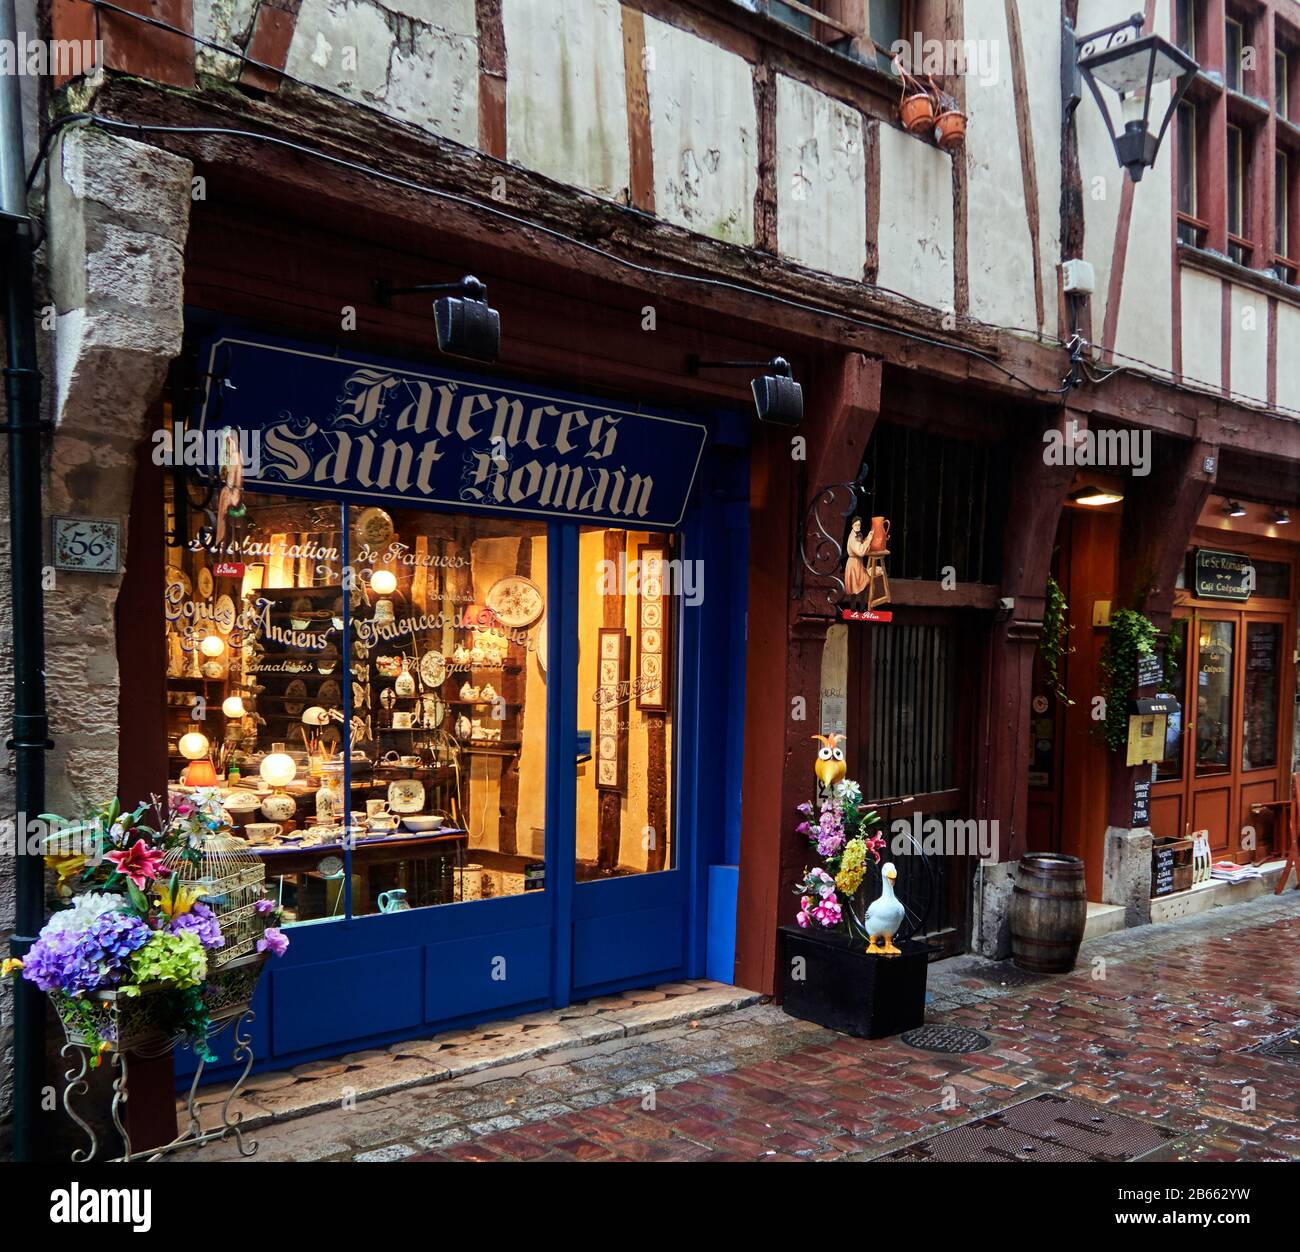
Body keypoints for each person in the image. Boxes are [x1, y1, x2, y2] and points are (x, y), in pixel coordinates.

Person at [843, 517, 870, 598]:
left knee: (864, 583)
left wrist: (867, 539)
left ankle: (862, 608)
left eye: (859, 525)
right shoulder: (853, 537)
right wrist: (868, 540)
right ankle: (853, 608)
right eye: (856, 525)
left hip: (859, 563)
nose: (857, 526)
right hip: (853, 563)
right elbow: (860, 551)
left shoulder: (859, 535)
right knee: (854, 587)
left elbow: (862, 546)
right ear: (852, 525)